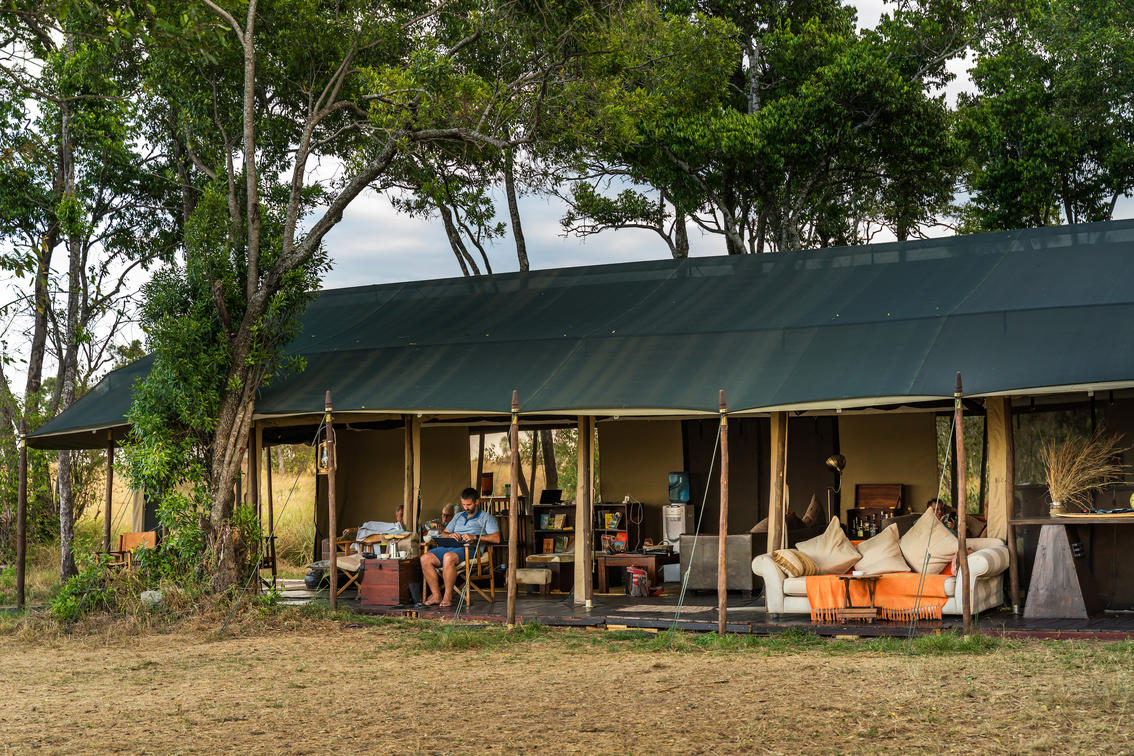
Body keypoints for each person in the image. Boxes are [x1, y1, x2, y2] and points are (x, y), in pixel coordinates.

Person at [420, 488, 500, 607]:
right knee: (425, 558)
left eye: (469, 504)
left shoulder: (486, 517)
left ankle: (447, 597)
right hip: (452, 546)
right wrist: (450, 534)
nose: (466, 507)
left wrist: (475, 537)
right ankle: (436, 595)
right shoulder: (458, 516)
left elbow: (496, 538)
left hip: (471, 549)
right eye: (463, 504)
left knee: (448, 557)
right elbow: (444, 533)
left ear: (477, 502)